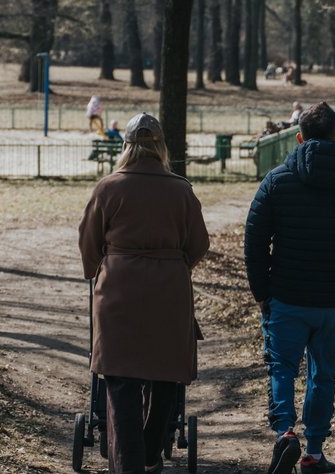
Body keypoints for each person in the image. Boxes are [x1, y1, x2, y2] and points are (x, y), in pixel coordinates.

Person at [244, 102, 335, 474]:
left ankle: (285, 433)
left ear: (299, 137)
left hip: (286, 297)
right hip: (333, 302)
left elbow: (254, 240)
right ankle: (315, 453)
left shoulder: (276, 181)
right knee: (322, 373)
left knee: (281, 368)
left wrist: (261, 291)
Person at [78, 112, 210, 474]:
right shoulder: (181, 190)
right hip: (169, 292)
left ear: (126, 147)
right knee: (166, 376)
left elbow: (89, 243)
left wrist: (95, 270)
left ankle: (130, 465)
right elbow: (199, 244)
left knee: (120, 384)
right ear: (161, 147)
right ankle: (152, 456)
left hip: (119, 292)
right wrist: (173, 264)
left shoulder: (108, 188)